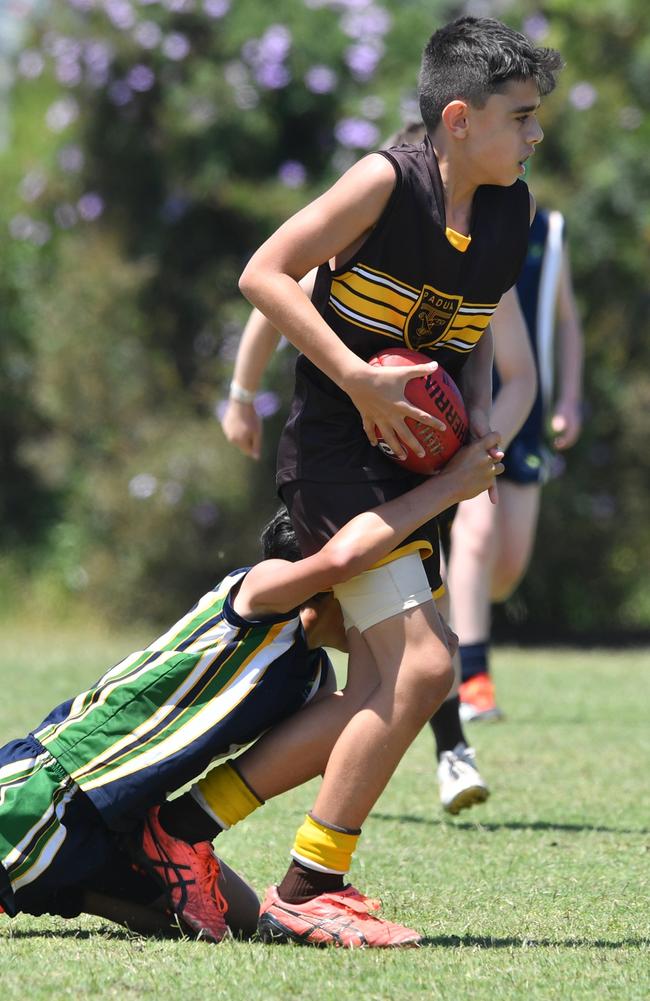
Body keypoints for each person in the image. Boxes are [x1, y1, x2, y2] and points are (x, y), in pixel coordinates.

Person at [238, 15, 562, 947]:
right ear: (458, 118)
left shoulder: (512, 208)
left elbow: (467, 343)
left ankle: (183, 825)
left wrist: (482, 426)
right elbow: (264, 274)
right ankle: (308, 884)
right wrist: (356, 377)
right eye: (522, 117)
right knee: (424, 664)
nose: (535, 135)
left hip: (410, 469)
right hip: (338, 460)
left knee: (376, 684)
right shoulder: (384, 181)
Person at [0, 432, 502, 946]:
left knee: (239, 922)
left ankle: (107, 866)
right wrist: (448, 489)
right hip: (61, 790)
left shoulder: (314, 679)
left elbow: (367, 711)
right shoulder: (262, 591)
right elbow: (340, 562)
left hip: (124, 823)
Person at [449, 207, 584, 721]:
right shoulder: (462, 216)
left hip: (528, 417)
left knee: (503, 573)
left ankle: (443, 613)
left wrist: (570, 399)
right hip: (463, 405)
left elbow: (566, 320)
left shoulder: (550, 230)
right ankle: (474, 680)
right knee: (475, 535)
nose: (529, 141)